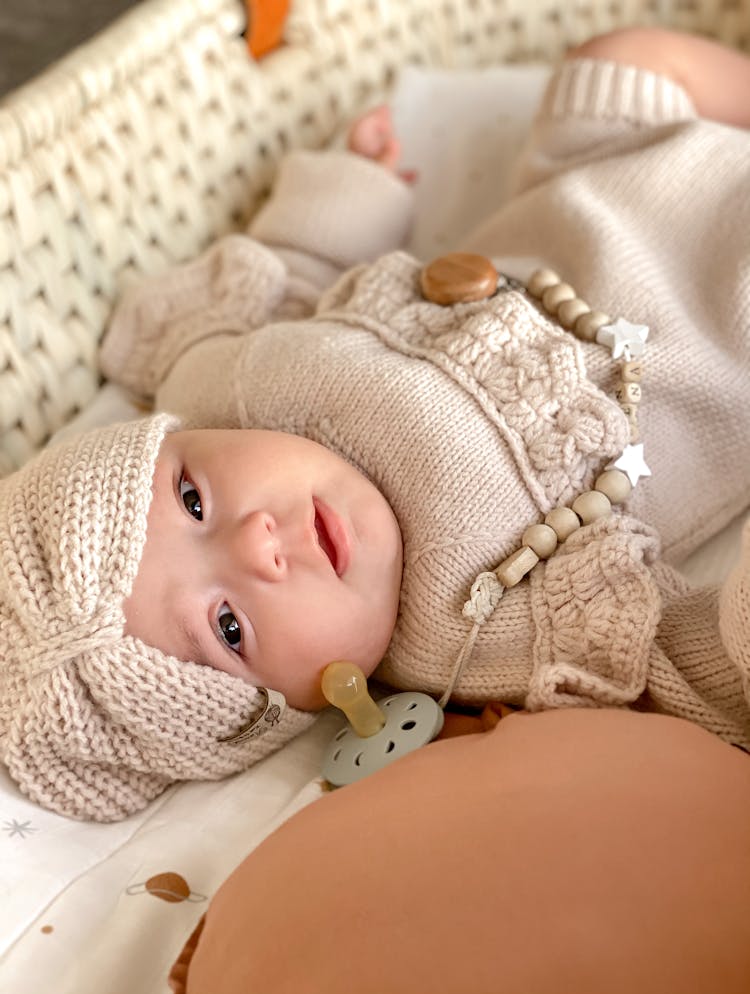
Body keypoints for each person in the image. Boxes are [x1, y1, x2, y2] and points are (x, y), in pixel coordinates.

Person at [1, 27, 749, 821]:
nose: (257, 542)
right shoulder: (475, 636)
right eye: (228, 626)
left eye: (191, 501)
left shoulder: (225, 383)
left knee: (619, 60)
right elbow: (679, 661)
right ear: (309, 703)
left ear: (169, 438)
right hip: (723, 327)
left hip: (603, 180)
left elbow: (287, 266)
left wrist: (349, 188)